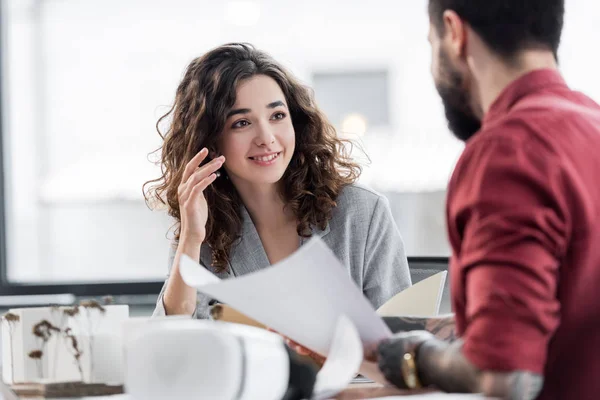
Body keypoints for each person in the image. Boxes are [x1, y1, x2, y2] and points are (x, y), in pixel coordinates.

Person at [367, 1, 600, 399]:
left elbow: (504, 376)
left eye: (430, 43)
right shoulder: (590, 124)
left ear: (454, 33)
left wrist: (416, 355)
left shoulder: (509, 150)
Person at [145, 43, 411, 333]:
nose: (267, 137)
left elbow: (401, 342)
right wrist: (192, 238)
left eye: (277, 116)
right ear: (209, 140)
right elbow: (171, 340)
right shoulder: (202, 228)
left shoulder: (363, 214)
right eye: (242, 122)